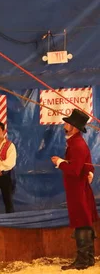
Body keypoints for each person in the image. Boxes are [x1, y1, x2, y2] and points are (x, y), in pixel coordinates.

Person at [51, 109, 98, 271]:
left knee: (81, 222)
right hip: (79, 188)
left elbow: (75, 170)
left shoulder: (77, 144)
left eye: (67, 123)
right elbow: (87, 163)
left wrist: (59, 162)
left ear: (74, 127)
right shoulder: (76, 142)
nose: (65, 125)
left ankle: (83, 260)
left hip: (77, 189)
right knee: (83, 220)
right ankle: (88, 258)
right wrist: (90, 171)